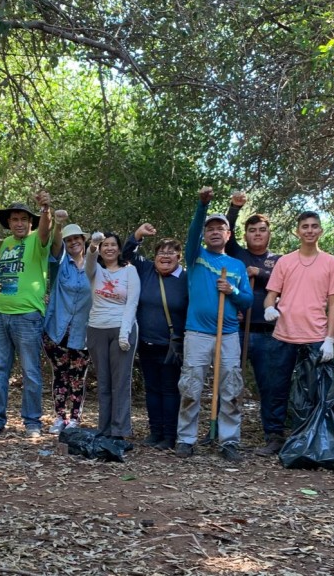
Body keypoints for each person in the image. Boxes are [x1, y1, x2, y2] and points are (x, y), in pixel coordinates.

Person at [175, 187, 252, 462]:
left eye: (221, 228)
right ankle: (186, 439)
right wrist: (201, 206)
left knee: (231, 388)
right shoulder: (196, 256)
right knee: (191, 387)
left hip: (228, 334)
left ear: (229, 235)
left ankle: (229, 441)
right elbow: (193, 231)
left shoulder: (236, 266)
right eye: (211, 228)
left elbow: (248, 300)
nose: (215, 232)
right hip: (197, 334)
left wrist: (232, 291)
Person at [260, 211, 334, 456]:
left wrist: (330, 339)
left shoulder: (331, 262)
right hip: (284, 335)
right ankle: (274, 437)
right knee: (276, 388)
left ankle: (311, 438)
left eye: (314, 226)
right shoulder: (285, 262)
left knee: (315, 391)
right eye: (305, 226)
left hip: (316, 336)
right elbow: (271, 294)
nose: (309, 230)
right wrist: (268, 308)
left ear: (320, 231)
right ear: (297, 231)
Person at [0, 191, 52, 438]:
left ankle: (32, 422)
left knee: (30, 371)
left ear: (30, 222)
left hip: (28, 316)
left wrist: (45, 209)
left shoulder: (37, 240)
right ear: (9, 223)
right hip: (0, 315)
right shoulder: (5, 245)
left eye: (24, 218)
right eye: (15, 219)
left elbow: (46, 230)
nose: (20, 223)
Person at [122, 223, 188, 450]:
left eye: (171, 253)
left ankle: (169, 435)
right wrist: (138, 234)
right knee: (152, 388)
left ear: (179, 257)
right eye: (161, 252)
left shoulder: (186, 279)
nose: (165, 256)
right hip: (146, 342)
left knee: (170, 389)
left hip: (172, 346)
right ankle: (155, 431)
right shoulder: (146, 269)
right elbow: (127, 254)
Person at [225, 191, 281, 444]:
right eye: (252, 230)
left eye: (262, 230)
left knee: (269, 386)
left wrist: (261, 273)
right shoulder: (237, 254)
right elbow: (227, 236)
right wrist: (235, 208)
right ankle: (221, 431)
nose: (257, 234)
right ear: (246, 234)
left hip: (268, 333)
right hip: (237, 329)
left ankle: (273, 434)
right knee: (228, 381)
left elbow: (287, 285)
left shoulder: (279, 261)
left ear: (269, 233)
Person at [86, 231, 140, 440]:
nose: (108, 248)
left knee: (120, 381)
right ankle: (104, 429)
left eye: (112, 244)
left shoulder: (130, 271)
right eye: (104, 245)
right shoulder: (95, 271)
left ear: (119, 249)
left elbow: (132, 303)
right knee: (104, 382)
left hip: (121, 328)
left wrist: (124, 332)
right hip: (96, 328)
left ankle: (119, 430)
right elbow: (89, 262)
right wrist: (92, 245)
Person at [43, 211, 92, 433]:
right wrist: (58, 224)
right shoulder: (60, 264)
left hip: (83, 332)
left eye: (77, 239)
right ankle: (59, 417)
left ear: (84, 241)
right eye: (69, 239)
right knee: (60, 375)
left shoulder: (94, 266)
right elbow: (54, 248)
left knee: (77, 378)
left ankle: (75, 418)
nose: (73, 243)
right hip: (57, 329)